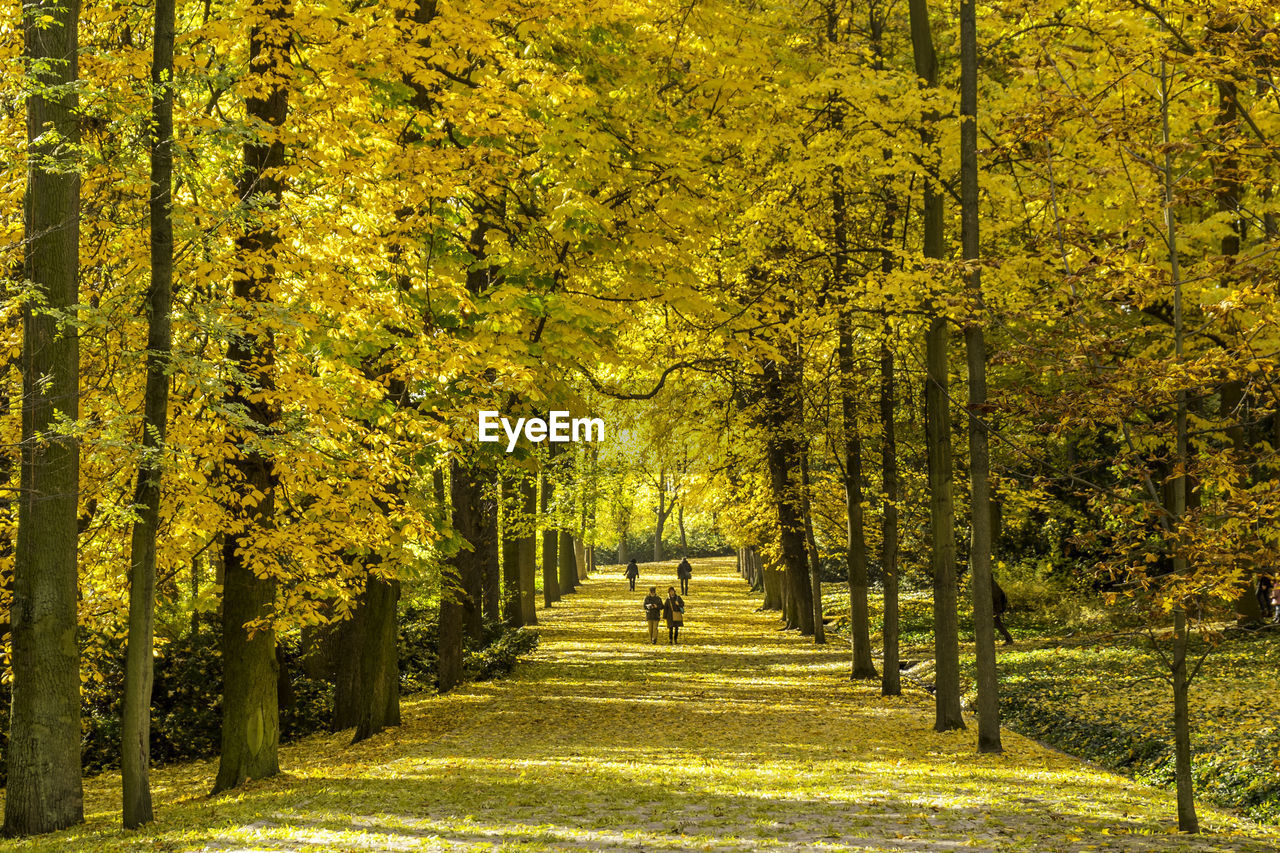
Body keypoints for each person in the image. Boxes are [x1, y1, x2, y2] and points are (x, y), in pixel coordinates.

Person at [992, 576, 1013, 645]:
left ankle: (1009, 639)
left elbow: (996, 597)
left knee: (997, 623)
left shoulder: (993, 586)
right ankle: (1008, 639)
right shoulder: (993, 584)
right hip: (996, 607)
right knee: (997, 623)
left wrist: (995, 609)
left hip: (995, 608)